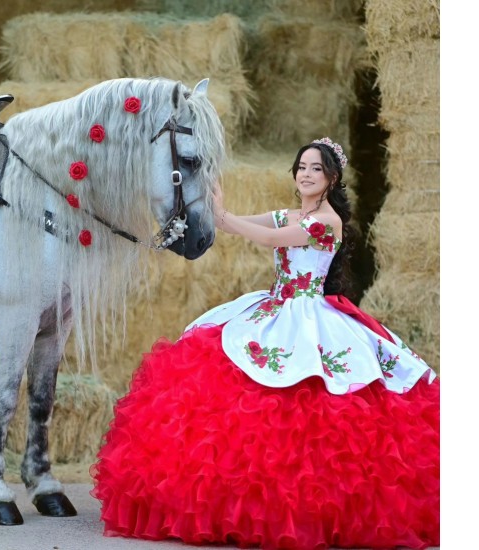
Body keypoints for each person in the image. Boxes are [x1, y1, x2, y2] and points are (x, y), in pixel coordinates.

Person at [90, 138, 440, 549]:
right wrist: (215, 197)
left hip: (309, 315)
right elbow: (236, 222)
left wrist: (225, 217)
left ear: (332, 178)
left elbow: (273, 239)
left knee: (313, 396)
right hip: (275, 306)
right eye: (301, 166)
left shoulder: (325, 222)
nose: (305, 174)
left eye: (315, 168)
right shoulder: (292, 213)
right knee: (217, 368)